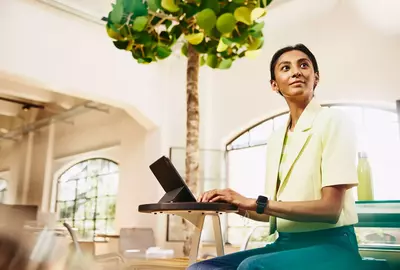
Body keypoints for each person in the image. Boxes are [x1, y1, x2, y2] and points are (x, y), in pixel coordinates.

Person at [188, 44, 362, 270]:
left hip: (333, 246)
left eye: (303, 65)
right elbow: (271, 214)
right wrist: (235, 203)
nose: (296, 72)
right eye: (285, 68)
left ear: (315, 77)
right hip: (286, 244)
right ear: (274, 84)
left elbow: (330, 210)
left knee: (252, 267)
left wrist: (257, 203)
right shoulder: (277, 138)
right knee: (202, 269)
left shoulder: (334, 121)